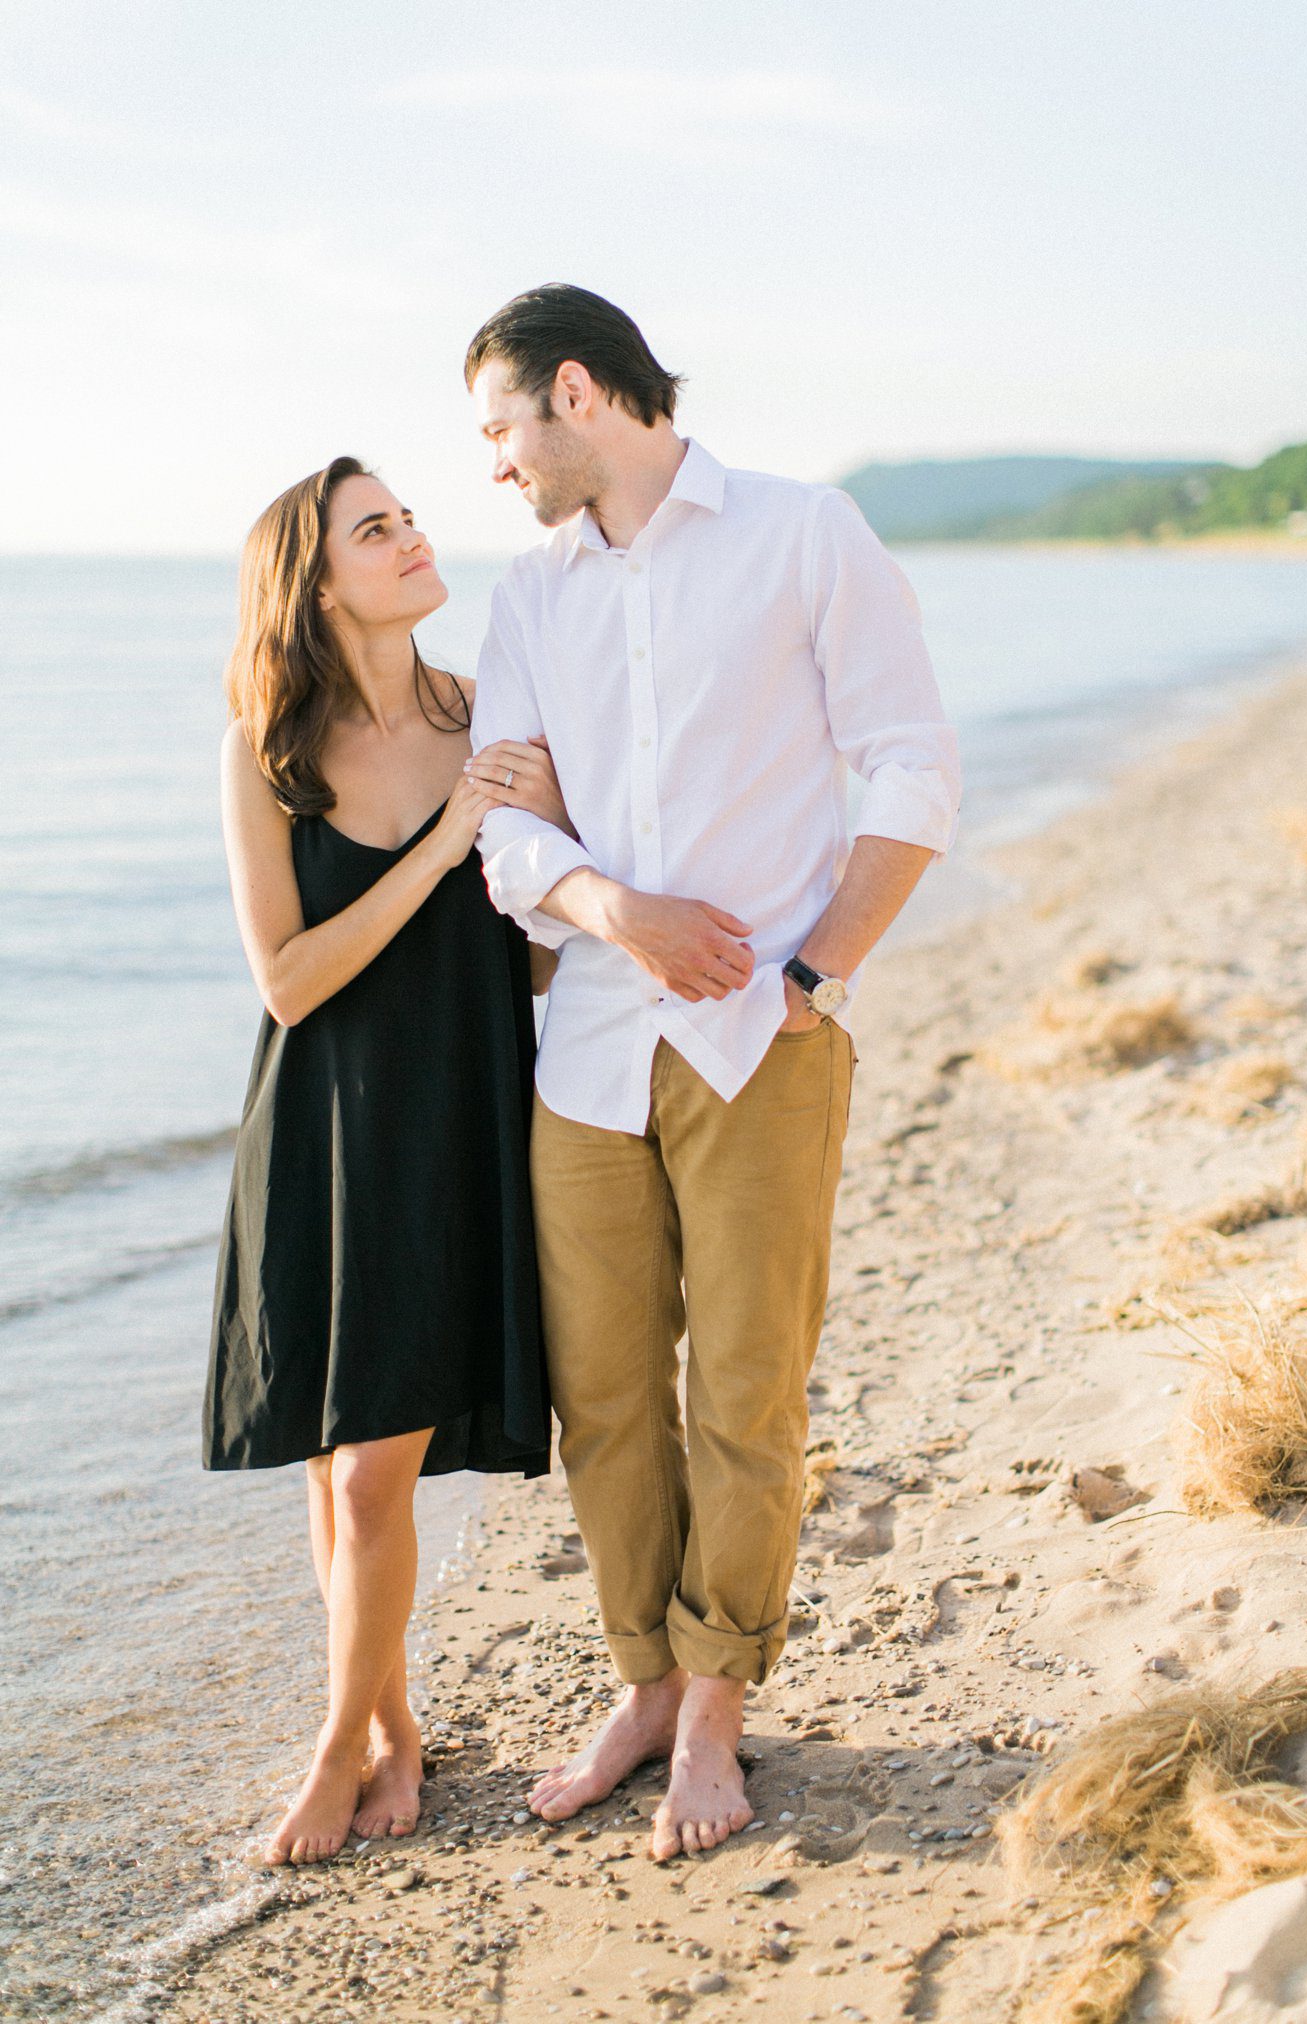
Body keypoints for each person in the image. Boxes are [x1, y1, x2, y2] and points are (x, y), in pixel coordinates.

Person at [462, 286, 962, 1863]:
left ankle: (720, 1701)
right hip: (588, 1051)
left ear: (576, 395)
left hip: (765, 1043)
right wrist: (611, 906)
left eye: (499, 430)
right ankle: (644, 1687)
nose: (494, 466)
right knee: (603, 1397)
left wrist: (822, 966)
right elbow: (507, 825)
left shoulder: (804, 534)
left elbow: (912, 760)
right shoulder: (528, 594)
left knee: (743, 1391)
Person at [204, 455, 566, 1866]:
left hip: (453, 1122)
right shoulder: (263, 748)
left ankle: (331, 1749)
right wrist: (449, 837)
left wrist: (540, 842)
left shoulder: (492, 715)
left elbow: (533, 952)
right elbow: (290, 981)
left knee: (371, 1479)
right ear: (317, 577)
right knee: (328, 1468)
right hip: (320, 1132)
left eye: (408, 517)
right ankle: (389, 1731)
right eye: (376, 528)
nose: (412, 536)